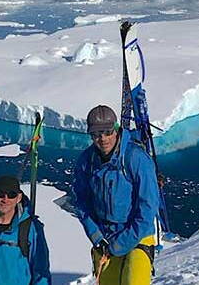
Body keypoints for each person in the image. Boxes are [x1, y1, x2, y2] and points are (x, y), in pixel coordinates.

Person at [73, 105, 160, 285]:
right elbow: (82, 203)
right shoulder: (86, 162)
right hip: (106, 239)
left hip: (138, 237)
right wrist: (96, 236)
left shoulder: (136, 159)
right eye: (96, 134)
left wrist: (120, 244)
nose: (102, 139)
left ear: (116, 129)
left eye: (107, 132)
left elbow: (148, 208)